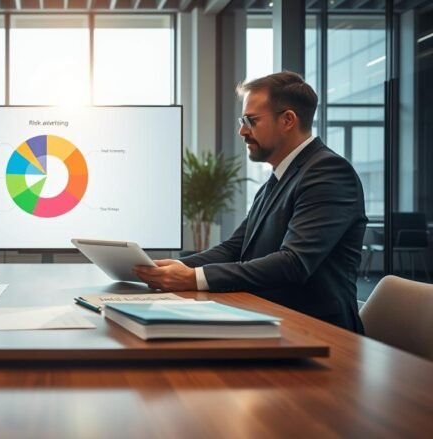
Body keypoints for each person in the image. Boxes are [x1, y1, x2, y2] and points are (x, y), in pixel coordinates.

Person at [134, 71, 367, 333]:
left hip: (318, 333)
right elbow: (235, 248)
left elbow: (293, 263)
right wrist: (179, 266)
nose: (242, 130)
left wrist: (194, 278)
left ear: (288, 120)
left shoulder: (328, 172)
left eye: (251, 120)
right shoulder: (279, 177)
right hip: (272, 320)